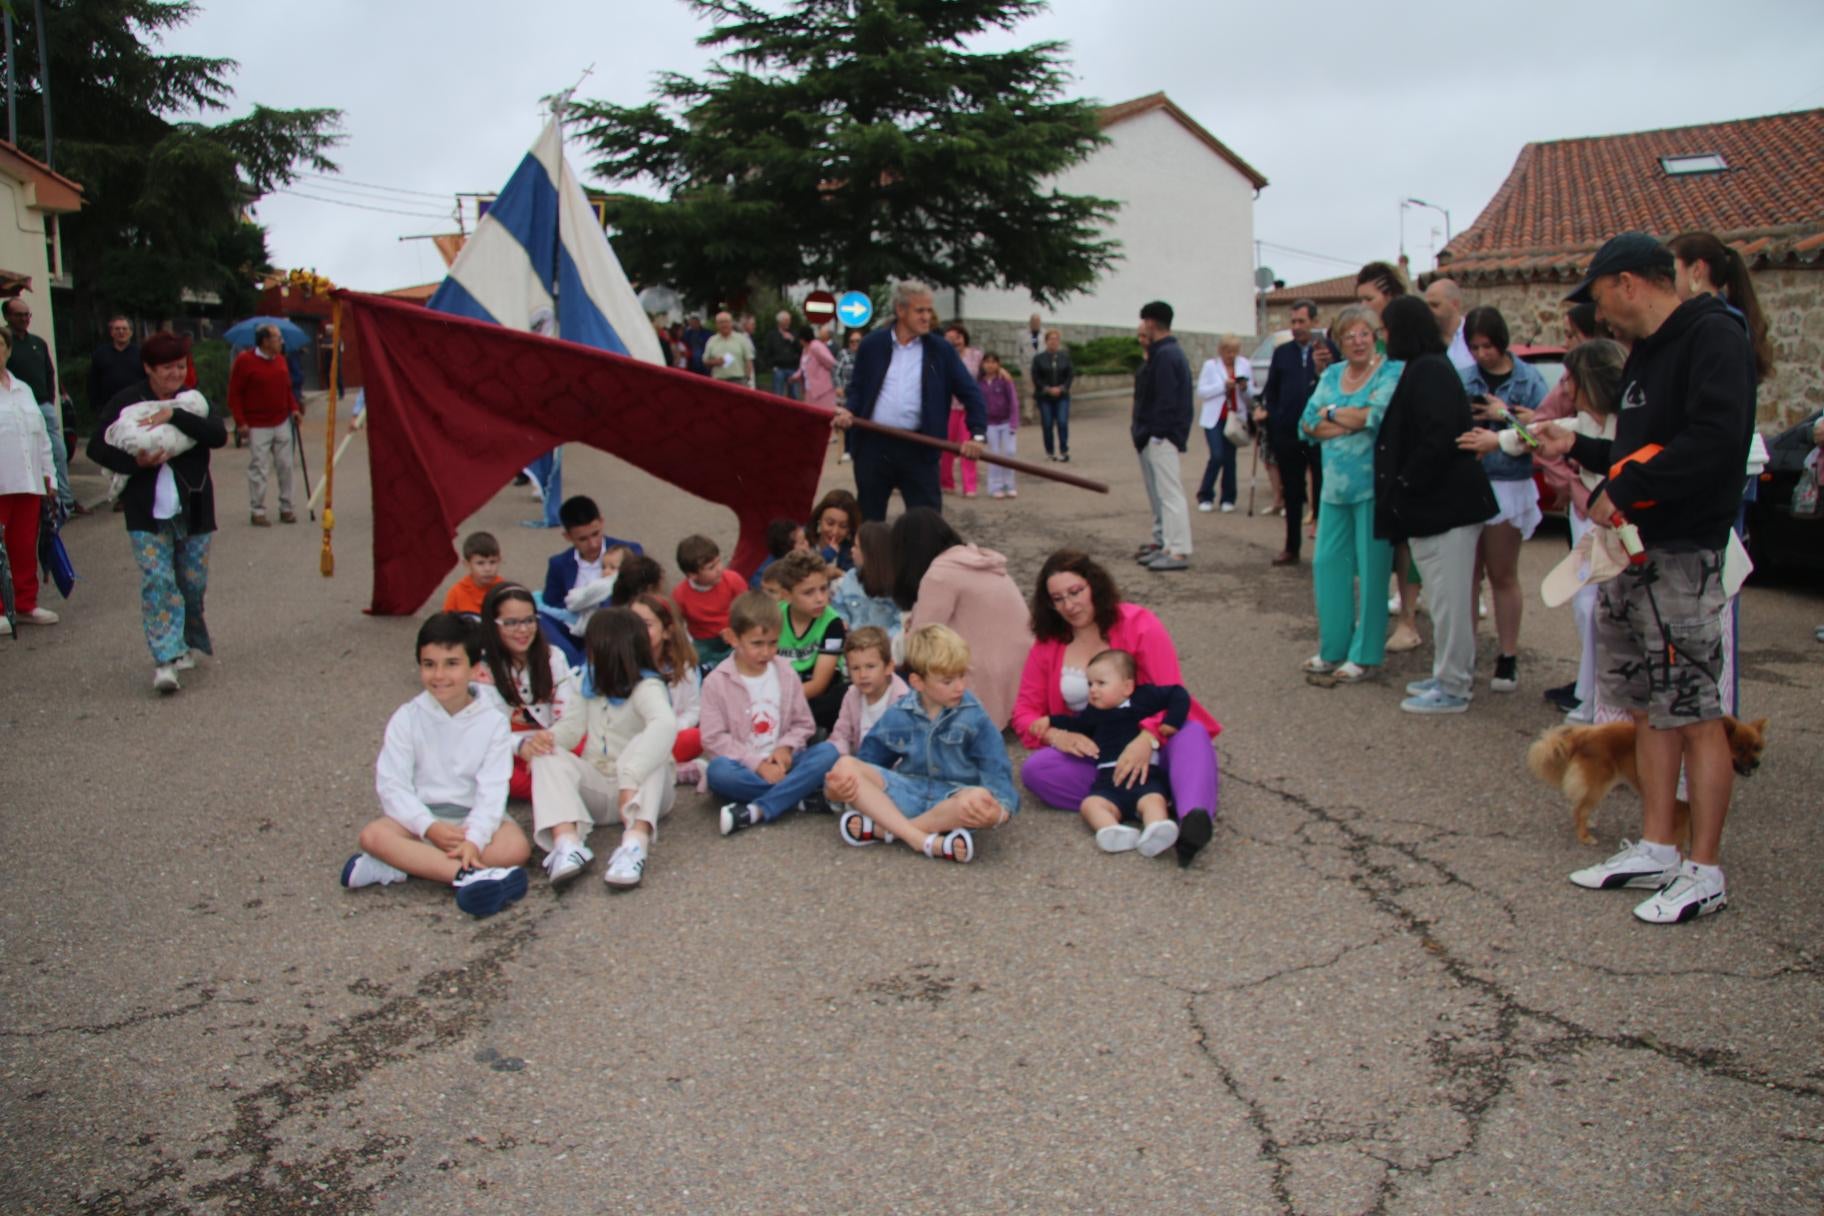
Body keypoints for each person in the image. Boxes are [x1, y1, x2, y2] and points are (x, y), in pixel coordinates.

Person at [1534, 232, 1755, 922]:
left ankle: (1706, 869)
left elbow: (1715, 441)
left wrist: (1626, 485)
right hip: (1631, 557)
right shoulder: (1646, 354)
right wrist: (1584, 446)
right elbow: (1639, 447)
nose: (1598, 315)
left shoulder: (1713, 337)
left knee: (1696, 715)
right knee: (1649, 708)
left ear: (1628, 282)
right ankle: (1659, 846)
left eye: (1598, 297)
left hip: (1682, 553)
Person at [1012, 549, 1223, 867]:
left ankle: (1192, 819)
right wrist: (1057, 736)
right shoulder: (1048, 643)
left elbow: (1172, 693)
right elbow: (1025, 711)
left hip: (1153, 743)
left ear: (1093, 585)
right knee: (1037, 771)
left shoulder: (1141, 625)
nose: (1069, 606)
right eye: (1057, 599)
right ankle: (1142, 801)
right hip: (1102, 756)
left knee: (1191, 733)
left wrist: (1146, 739)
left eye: (1075, 592)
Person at [339, 612, 533, 917]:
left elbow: (493, 790)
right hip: (420, 818)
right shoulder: (407, 717)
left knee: (516, 848)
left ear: (475, 669)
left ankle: (403, 865)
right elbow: (392, 786)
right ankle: (468, 876)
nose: (439, 675)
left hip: (471, 816)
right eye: (429, 664)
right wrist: (428, 827)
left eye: (451, 663)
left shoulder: (493, 722)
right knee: (373, 836)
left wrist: (474, 838)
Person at [1372, 297, 1498, 714]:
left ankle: (1455, 686)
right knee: (1443, 602)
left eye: (1386, 327)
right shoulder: (1425, 367)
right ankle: (1446, 674)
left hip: (1446, 508)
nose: (1381, 335)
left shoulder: (1428, 370)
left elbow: (1438, 436)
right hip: (1436, 508)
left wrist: (1406, 481)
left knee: (1450, 602)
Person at [86, 332, 227, 693]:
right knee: (158, 580)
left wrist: (174, 415)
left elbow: (217, 435)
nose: (175, 374)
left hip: (193, 503)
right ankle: (166, 658)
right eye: (167, 368)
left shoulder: (192, 401)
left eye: (181, 366)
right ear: (148, 367)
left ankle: (187, 640)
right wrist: (135, 462)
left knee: (192, 582)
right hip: (145, 510)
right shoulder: (128, 402)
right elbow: (97, 446)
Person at [824, 623, 1017, 864]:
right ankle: (922, 840)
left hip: (951, 801)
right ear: (917, 682)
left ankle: (887, 832)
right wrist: (837, 791)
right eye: (947, 681)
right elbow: (867, 763)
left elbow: (996, 770)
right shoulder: (899, 713)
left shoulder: (973, 714)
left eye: (961, 676)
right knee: (845, 767)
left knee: (977, 798)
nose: (960, 686)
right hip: (908, 793)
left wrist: (998, 814)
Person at [530, 608, 679, 890]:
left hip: (645, 794)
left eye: (594, 647)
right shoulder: (588, 682)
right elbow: (572, 729)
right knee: (545, 754)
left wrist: (631, 778)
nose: (589, 653)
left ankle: (635, 845)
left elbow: (665, 725)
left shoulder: (647, 685)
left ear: (614, 649)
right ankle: (567, 843)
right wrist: (547, 739)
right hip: (601, 789)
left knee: (647, 744)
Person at [1298, 305, 1404, 683]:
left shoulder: (1391, 371)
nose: (1358, 341)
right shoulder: (1331, 374)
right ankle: (1333, 648)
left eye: (1364, 333)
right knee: (1327, 565)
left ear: (1374, 335)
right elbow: (1306, 424)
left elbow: (1375, 417)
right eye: (1349, 336)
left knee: (1374, 572)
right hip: (1334, 489)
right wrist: (1342, 419)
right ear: (1339, 342)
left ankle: (1364, 654)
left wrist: (1333, 415)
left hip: (1373, 488)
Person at [1453, 305, 1549, 693]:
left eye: (1487, 346)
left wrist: (1504, 414)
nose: (1481, 355)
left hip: (1508, 485)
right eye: (1474, 347)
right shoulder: (1462, 379)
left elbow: (1541, 437)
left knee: (1502, 574)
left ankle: (1507, 656)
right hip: (1470, 482)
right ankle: (1466, 652)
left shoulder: (1528, 380)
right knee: (1468, 576)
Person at [832, 280, 986, 521]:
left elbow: (971, 392)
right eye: (920, 311)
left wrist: (977, 435)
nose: (927, 317)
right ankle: (871, 560)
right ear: (900, 310)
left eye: (929, 310)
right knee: (869, 522)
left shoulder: (940, 350)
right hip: (874, 445)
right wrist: (848, 411)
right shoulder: (872, 345)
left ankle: (923, 560)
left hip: (920, 446)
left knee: (926, 522)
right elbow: (858, 389)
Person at [701, 590, 841, 835]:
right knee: (718, 772)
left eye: (773, 643)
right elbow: (713, 739)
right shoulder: (717, 681)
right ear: (733, 638)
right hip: (743, 767)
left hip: (785, 762)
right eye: (757, 644)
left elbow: (803, 724)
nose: (766, 652)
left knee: (829, 752)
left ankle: (758, 809)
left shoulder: (785, 672)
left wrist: (785, 748)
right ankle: (799, 797)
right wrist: (757, 764)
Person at [1033, 648, 1191, 857]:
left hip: (1143, 775)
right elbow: (1076, 723)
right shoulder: (1093, 713)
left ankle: (1156, 828)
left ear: (1127, 687)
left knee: (1154, 800)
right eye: (1089, 684)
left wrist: (1172, 722)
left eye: (1101, 683)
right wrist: (1051, 721)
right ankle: (1111, 830)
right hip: (1107, 781)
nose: (1093, 690)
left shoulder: (1142, 699)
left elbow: (1177, 694)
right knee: (1090, 805)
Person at [892, 507, 1029, 730]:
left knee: (894, 675)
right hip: (1021, 672)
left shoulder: (939, 574)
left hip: (982, 680)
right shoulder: (974, 559)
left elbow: (919, 642)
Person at [475, 582, 576, 802]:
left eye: (529, 620)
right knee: (492, 774)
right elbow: (486, 727)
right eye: (511, 623)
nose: (523, 630)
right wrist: (521, 747)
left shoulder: (553, 656)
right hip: (507, 749)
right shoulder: (481, 668)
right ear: (492, 625)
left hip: (551, 743)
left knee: (590, 740)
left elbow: (568, 712)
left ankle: (555, 778)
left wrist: (548, 743)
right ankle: (562, 782)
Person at [1255, 300, 1336, 565]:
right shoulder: (1283, 352)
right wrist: (1272, 414)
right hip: (1289, 432)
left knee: (1323, 488)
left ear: (1314, 322)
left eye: (1301, 321)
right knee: (1292, 491)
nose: (1297, 327)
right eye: (1293, 322)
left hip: (1321, 432)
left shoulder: (1329, 351)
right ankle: (1291, 547)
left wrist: (1324, 368)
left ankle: (1326, 550)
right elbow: (1272, 390)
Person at [537, 495, 641, 665]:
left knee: (609, 602)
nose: (593, 544)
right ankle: (579, 664)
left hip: (616, 630)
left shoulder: (629, 551)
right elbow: (553, 605)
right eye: (583, 539)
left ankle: (580, 667)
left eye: (596, 534)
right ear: (568, 537)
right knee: (536, 617)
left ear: (601, 522)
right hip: (576, 631)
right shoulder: (559, 564)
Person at [0, 327, 58, 630]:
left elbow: (41, 436)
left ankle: (25, 603)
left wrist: (49, 474)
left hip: (28, 480)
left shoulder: (23, 388)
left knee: (23, 546)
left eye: (1, 346)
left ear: (8, 351)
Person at [1131, 300, 1194, 571]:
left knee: (1170, 494)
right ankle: (1168, 545)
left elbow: (1168, 400)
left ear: (1152, 322)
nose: (1142, 327)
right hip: (1155, 434)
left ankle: (1178, 550)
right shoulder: (1163, 353)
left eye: (1144, 321)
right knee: (1164, 494)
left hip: (1162, 435)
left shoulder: (1167, 355)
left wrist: (1157, 434)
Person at [226, 323, 302, 526]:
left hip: (281, 420)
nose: (281, 341)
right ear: (265, 341)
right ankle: (257, 510)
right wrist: (240, 421)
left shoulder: (281, 361)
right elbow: (235, 394)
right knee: (259, 467)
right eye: (277, 338)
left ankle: (287, 507)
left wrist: (294, 408)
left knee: (285, 465)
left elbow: (287, 389)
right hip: (257, 423)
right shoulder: (245, 361)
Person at [3, 296, 71, 517]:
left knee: (56, 452)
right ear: (7, 316)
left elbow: (50, 372)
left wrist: (50, 399)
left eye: (27, 315)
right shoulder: (6, 340)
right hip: (12, 409)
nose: (24, 319)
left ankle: (63, 500)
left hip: (39, 405)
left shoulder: (38, 342)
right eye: (19, 315)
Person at [628, 591, 705, 780]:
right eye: (631, 624)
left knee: (696, 737)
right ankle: (671, 772)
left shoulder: (683, 666)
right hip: (627, 740)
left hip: (667, 737)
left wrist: (672, 728)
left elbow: (693, 710)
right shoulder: (619, 662)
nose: (636, 631)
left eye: (645, 625)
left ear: (667, 631)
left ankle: (648, 771)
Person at [771, 549, 848, 730]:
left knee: (844, 696)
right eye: (808, 593)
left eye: (824, 588)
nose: (820, 599)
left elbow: (819, 684)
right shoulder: (772, 616)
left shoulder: (832, 623)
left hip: (814, 694)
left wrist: (777, 702)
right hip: (778, 687)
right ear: (787, 595)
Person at [828, 625, 909, 756]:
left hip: (887, 770)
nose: (862, 675)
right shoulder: (852, 694)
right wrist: (843, 758)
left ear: (889, 667)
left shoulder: (903, 700)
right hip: (854, 766)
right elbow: (841, 735)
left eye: (870, 667)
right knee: (825, 752)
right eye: (855, 668)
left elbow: (905, 749)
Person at [672, 533, 748, 668]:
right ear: (693, 575)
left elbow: (748, 610)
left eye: (719, 561)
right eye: (711, 567)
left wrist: (735, 630)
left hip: (734, 633)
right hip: (703, 642)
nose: (719, 569)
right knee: (691, 661)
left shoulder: (733, 580)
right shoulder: (680, 595)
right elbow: (677, 626)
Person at [1194, 336, 1250, 513]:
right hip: (1214, 418)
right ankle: (1205, 494)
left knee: (1230, 459)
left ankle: (1228, 498)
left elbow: (1252, 392)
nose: (1231, 355)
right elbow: (1201, 391)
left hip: (1234, 417)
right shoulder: (1211, 366)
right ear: (1221, 350)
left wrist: (1244, 387)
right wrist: (1223, 386)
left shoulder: (1244, 365)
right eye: (1227, 351)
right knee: (1217, 455)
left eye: (1234, 351)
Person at [830, 520, 901, 641]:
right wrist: (842, 620)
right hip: (852, 644)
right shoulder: (850, 578)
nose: (851, 550)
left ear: (872, 553)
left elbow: (901, 624)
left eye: (856, 547)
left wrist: (884, 639)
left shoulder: (898, 586)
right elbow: (838, 607)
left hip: (883, 648)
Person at [938, 323, 984, 496]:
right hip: (949, 408)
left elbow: (988, 370)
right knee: (946, 447)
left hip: (967, 408)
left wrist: (1002, 372)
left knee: (968, 446)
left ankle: (969, 486)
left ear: (964, 337)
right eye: (949, 338)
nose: (954, 341)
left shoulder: (976, 355)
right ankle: (946, 483)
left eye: (957, 337)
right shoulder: (942, 357)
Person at [979, 351, 1020, 499]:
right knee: (994, 454)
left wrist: (1014, 422)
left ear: (998, 364)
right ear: (983, 364)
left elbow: (1014, 401)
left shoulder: (1004, 380)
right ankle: (995, 486)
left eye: (993, 362)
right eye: (987, 362)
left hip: (1006, 421)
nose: (990, 365)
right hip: (989, 423)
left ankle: (1009, 484)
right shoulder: (979, 382)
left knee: (1010, 452)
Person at [1030, 328, 1073, 462]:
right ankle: (1050, 451)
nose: (1053, 342)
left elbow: (1070, 375)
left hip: (1062, 396)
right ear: (1046, 341)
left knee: (1062, 422)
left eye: (1056, 339)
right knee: (1047, 424)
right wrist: (1047, 389)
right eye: (1051, 339)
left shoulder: (1065, 357)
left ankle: (1064, 450)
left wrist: (1062, 388)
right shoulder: (1038, 359)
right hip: (1045, 397)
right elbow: (1036, 377)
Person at [442, 531, 504, 616]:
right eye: (480, 563)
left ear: (499, 560)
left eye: (492, 562)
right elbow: (446, 624)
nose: (488, 569)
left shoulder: (504, 590)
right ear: (467, 565)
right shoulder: (456, 593)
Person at [1424, 278, 1477, 374]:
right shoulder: (1423, 339)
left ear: (1455, 304)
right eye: (1426, 306)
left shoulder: (1474, 332)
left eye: (1435, 305)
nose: (1429, 311)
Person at [748, 517, 810, 589]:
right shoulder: (764, 578)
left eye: (806, 539)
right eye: (802, 543)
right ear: (788, 550)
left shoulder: (804, 559)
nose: (807, 544)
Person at [833, 328, 863, 463]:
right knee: (847, 422)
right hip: (847, 393)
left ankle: (858, 450)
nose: (855, 344)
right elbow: (836, 373)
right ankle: (848, 450)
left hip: (862, 394)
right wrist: (838, 386)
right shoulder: (843, 354)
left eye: (858, 341)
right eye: (852, 341)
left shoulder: (867, 355)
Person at [811, 488, 859, 571]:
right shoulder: (801, 541)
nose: (835, 532)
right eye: (830, 523)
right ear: (819, 519)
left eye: (843, 526)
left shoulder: (852, 554)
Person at [703, 311, 752, 385]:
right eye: (721, 322)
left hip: (738, 381)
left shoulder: (741, 339)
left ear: (731, 323)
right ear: (716, 325)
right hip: (718, 381)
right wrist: (715, 362)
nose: (724, 325)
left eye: (726, 322)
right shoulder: (712, 341)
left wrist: (747, 379)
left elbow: (748, 360)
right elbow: (705, 361)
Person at [760, 310, 801, 399]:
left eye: (789, 320)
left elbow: (801, 350)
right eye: (786, 320)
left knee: (794, 395)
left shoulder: (794, 333)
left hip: (793, 368)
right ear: (780, 322)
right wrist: (771, 366)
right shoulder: (772, 335)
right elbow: (767, 352)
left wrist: (792, 340)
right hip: (778, 368)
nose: (788, 322)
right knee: (777, 395)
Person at [797, 324, 838, 410]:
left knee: (824, 414)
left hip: (822, 390)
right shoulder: (805, 349)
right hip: (810, 389)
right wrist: (796, 375)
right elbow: (803, 367)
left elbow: (831, 362)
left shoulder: (816, 346)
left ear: (803, 338)